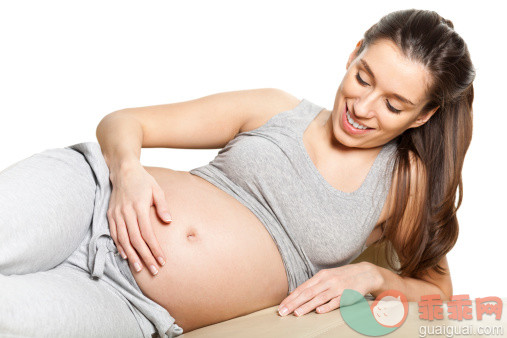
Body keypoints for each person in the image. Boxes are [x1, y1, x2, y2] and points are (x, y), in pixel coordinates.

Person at [0, 8, 475, 338]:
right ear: (354, 54)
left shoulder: (403, 183)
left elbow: (439, 292)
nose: (362, 107)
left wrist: (371, 276)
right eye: (363, 77)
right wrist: (127, 174)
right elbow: (125, 121)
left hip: (131, 307)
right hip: (90, 199)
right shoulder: (274, 108)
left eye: (393, 105)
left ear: (421, 117)